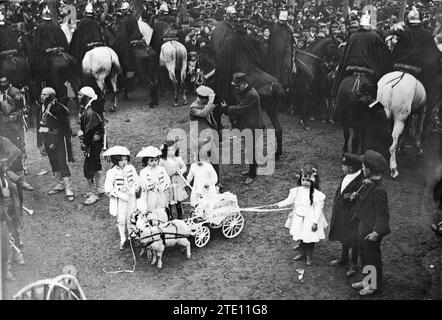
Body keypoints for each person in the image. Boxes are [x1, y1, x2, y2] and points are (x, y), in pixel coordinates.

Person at [350, 150, 391, 296]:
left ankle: (373, 285)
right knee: (364, 255)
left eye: (363, 167)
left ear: (369, 169)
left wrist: (376, 232)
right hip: (364, 226)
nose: (361, 169)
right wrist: (356, 195)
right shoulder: (369, 183)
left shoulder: (379, 190)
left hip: (372, 230)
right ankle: (367, 280)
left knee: (372, 258)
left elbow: (383, 214)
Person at [274, 165, 327, 266]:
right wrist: (279, 204)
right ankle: (302, 253)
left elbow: (318, 210)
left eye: (308, 180)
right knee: (301, 237)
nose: (305, 183)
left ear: (313, 181)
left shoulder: (317, 195)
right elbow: (289, 200)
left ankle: (309, 256)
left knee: (310, 239)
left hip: (310, 220)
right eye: (303, 180)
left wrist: (315, 222)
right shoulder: (297, 191)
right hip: (299, 218)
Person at [221, 72, 265, 185]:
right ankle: (251, 170)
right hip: (247, 125)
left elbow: (240, 108)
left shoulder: (252, 94)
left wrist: (227, 109)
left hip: (254, 126)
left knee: (251, 150)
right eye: (234, 86)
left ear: (244, 83)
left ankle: (252, 175)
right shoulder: (243, 91)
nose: (236, 88)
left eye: (237, 86)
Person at [328, 153, 364, 277]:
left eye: (344, 165)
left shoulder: (361, 181)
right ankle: (344, 258)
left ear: (351, 168)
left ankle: (353, 264)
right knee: (343, 236)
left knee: (353, 240)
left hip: (352, 216)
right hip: (342, 213)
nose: (342, 167)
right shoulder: (346, 175)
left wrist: (349, 197)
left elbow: (360, 199)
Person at [36, 87, 74, 202]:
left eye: (45, 94)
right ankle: (61, 184)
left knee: (62, 162)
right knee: (53, 163)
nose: (42, 96)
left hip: (57, 141)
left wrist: (54, 142)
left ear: (52, 96)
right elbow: (39, 127)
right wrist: (40, 144)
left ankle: (69, 188)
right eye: (41, 94)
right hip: (46, 140)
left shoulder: (59, 109)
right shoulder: (40, 109)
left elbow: (63, 128)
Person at [103, 146, 140, 250]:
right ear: (115, 161)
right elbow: (108, 188)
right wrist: (117, 193)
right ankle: (123, 238)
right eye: (121, 160)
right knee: (121, 219)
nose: (124, 162)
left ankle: (131, 237)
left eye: (125, 159)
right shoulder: (112, 172)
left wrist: (136, 187)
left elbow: (137, 180)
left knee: (131, 217)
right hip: (120, 200)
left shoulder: (131, 168)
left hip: (131, 197)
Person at [0, 76, 33, 191]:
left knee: (19, 146)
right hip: (3, 126)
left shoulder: (15, 92)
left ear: (8, 81)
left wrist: (16, 115)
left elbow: (25, 108)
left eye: (4, 82)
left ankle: (22, 171)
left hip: (15, 125)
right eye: (0, 82)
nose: (2, 84)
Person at [78, 87, 105, 205]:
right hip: (96, 143)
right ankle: (100, 188)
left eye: (80, 95)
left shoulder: (91, 111)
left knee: (88, 168)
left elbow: (90, 130)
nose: (78, 97)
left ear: (87, 97)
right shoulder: (90, 107)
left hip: (93, 143)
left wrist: (85, 143)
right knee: (96, 163)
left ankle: (94, 194)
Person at [189, 85, 220, 180]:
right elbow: (203, 113)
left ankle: (216, 181)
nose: (208, 101)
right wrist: (210, 103)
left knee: (215, 160)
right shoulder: (193, 107)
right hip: (200, 139)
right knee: (202, 163)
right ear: (201, 98)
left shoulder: (205, 105)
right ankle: (200, 182)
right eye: (207, 99)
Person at [356, 83, 392, 162]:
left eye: (362, 96)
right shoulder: (368, 108)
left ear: (369, 96)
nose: (360, 99)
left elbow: (384, 133)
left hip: (375, 150)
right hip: (368, 148)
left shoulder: (378, 111)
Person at [137, 146, 170, 213]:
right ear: (146, 162)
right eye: (151, 161)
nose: (154, 162)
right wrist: (151, 185)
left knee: (161, 207)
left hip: (160, 192)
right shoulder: (143, 171)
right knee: (151, 208)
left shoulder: (161, 169)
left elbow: (167, 180)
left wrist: (163, 186)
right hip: (150, 193)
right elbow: (142, 183)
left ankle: (161, 219)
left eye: (156, 160)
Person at [160, 140, 188, 220]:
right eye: (168, 150)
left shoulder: (178, 158)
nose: (171, 152)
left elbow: (184, 167)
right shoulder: (163, 160)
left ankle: (180, 216)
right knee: (169, 201)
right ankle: (169, 217)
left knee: (178, 200)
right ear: (165, 151)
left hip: (177, 181)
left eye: (173, 150)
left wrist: (180, 171)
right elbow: (160, 169)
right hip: (168, 181)